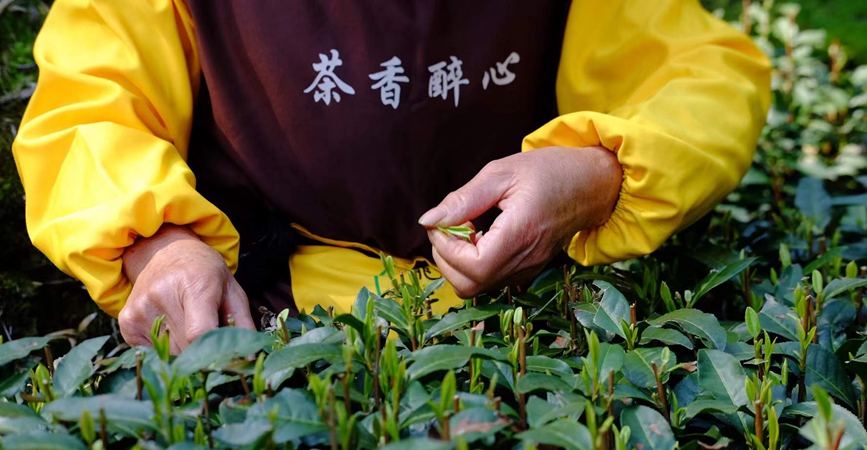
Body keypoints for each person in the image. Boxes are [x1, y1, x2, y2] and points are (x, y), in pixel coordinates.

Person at [13, 0, 770, 354]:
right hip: (266, 319)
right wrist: (165, 247)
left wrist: (597, 174)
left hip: (524, 322)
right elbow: (88, 107)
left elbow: (702, 76)